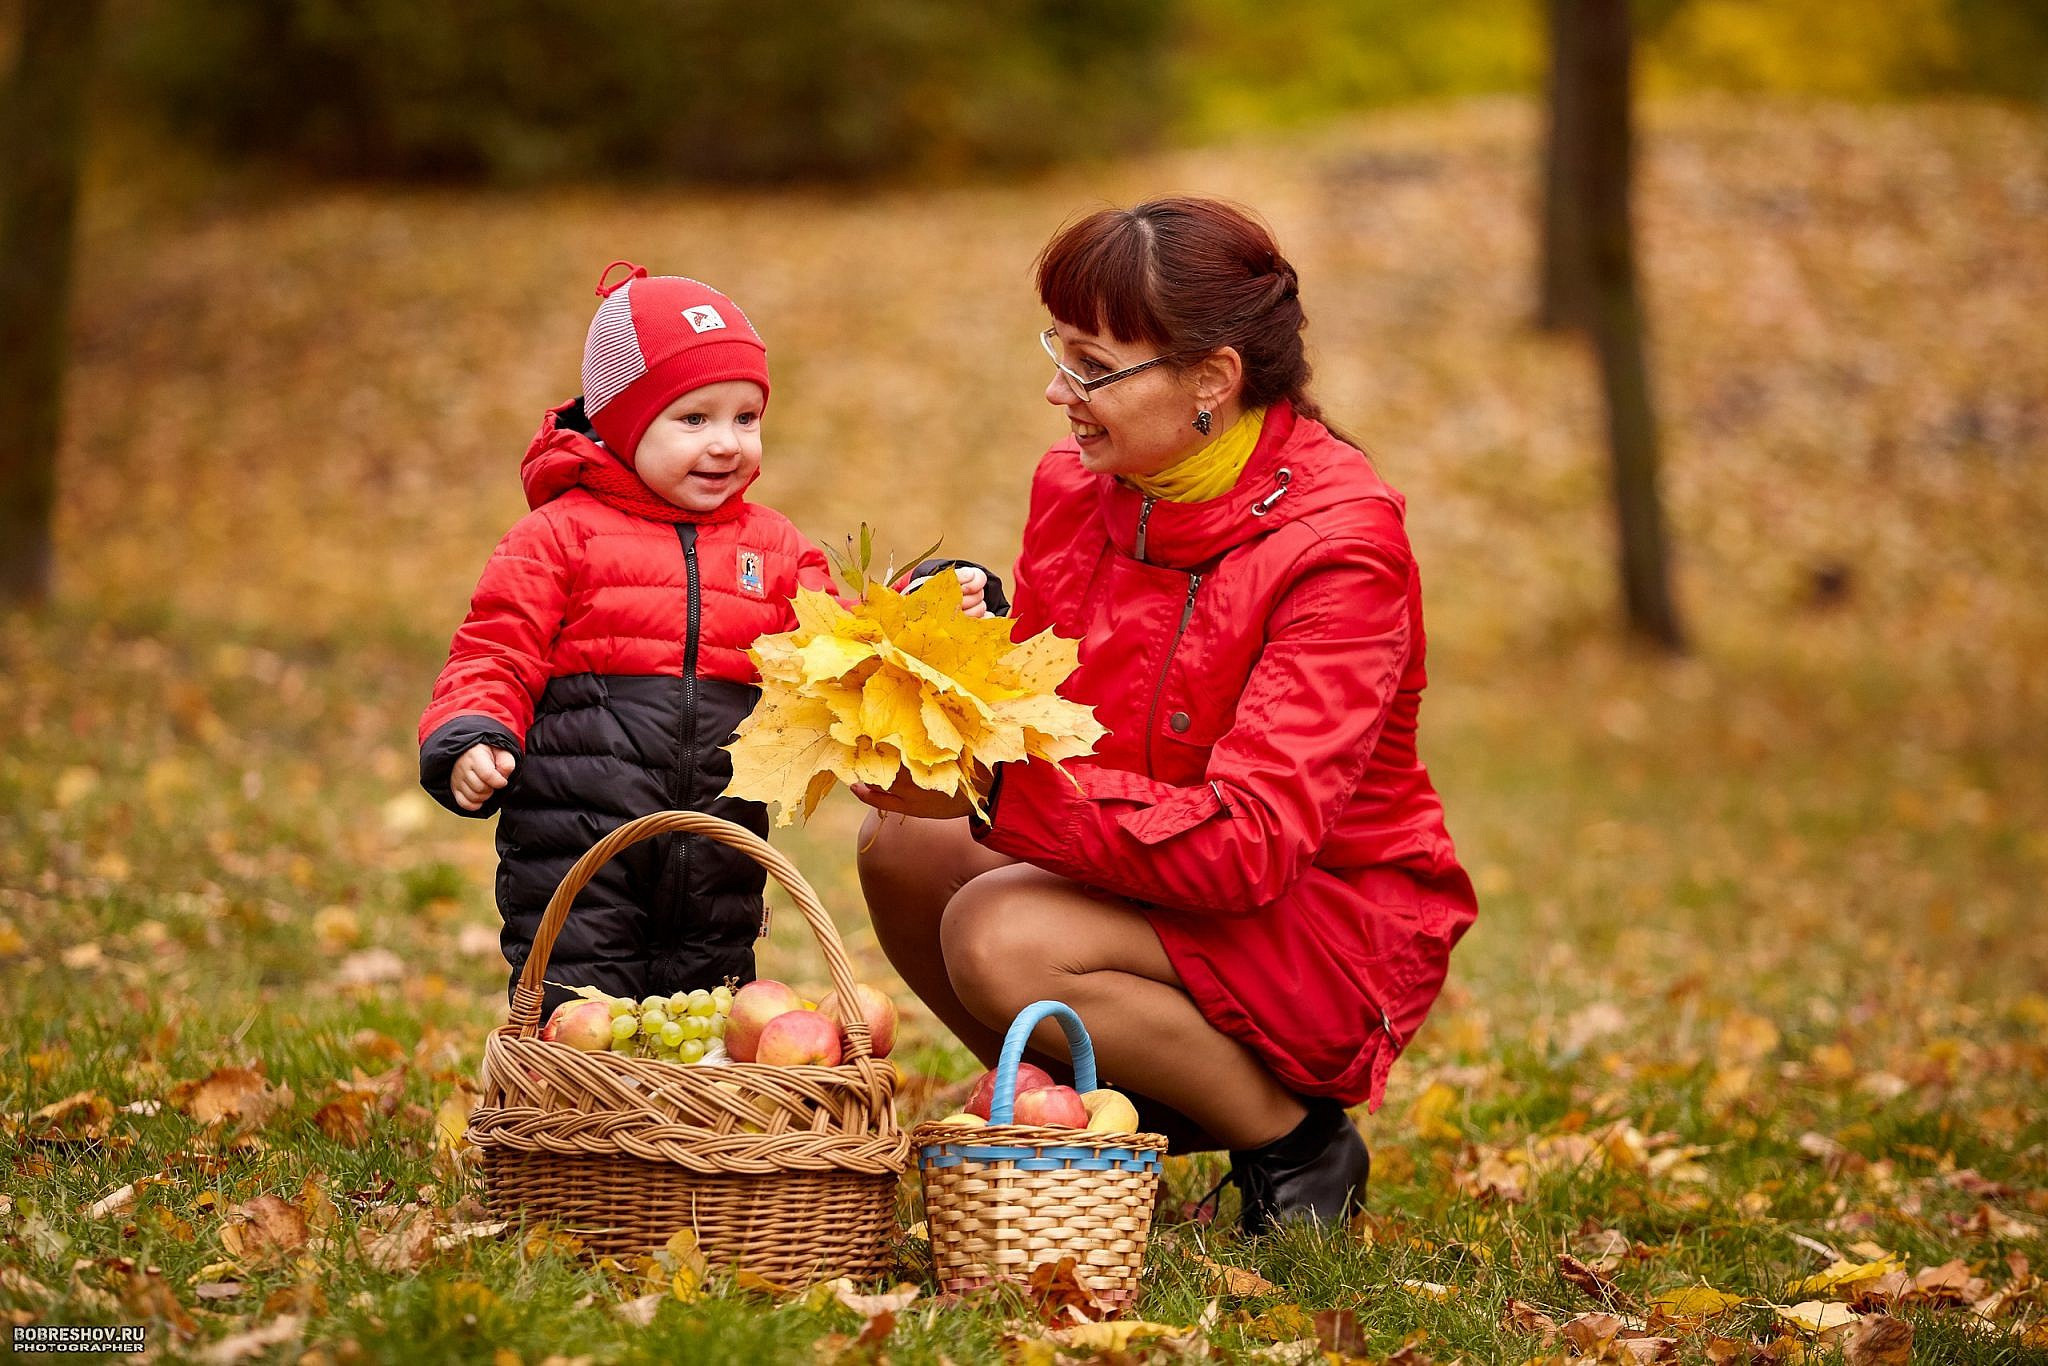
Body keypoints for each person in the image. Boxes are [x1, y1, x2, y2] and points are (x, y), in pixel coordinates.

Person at [853, 199, 1476, 1233]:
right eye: (1056, 352)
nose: (1058, 392)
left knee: (995, 933)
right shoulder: (1079, 483)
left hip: (1318, 914)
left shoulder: (1339, 550)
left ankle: (1296, 1143)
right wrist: (966, 618)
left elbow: (1250, 844)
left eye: (1091, 366)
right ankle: (1109, 1103)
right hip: (1144, 873)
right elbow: (1059, 700)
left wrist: (994, 786)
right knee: (903, 847)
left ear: (1210, 380)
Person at [419, 262, 992, 1016]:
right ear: (624, 422)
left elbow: (843, 644)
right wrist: (471, 736)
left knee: (708, 1013)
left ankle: (692, 1136)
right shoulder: (558, 536)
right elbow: (495, 651)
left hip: (720, 841)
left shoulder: (775, 549)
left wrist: (928, 607)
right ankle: (569, 1127)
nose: (727, 444)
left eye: (745, 419)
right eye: (694, 419)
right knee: (583, 1010)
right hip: (579, 843)